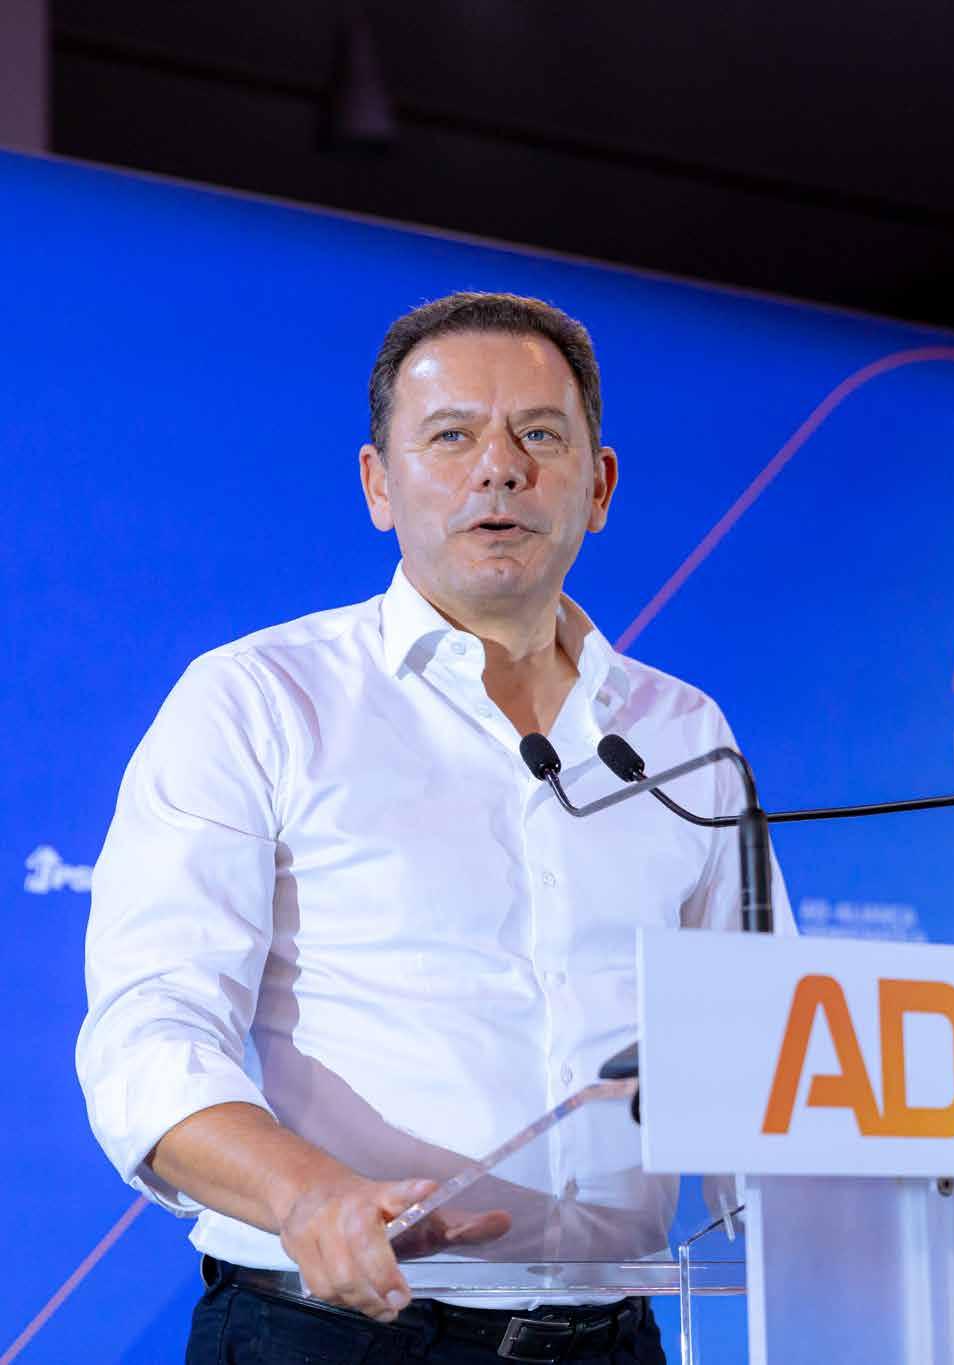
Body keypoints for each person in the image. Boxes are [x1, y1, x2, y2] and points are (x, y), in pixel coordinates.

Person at [77, 291, 794, 1364]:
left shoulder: (681, 731)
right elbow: (150, 1033)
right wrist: (307, 1193)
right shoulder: (259, 699)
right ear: (378, 484)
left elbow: (773, 1042)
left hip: (619, 1333)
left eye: (539, 436)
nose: (498, 469)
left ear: (598, 487)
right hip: (335, 1333)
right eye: (451, 436)